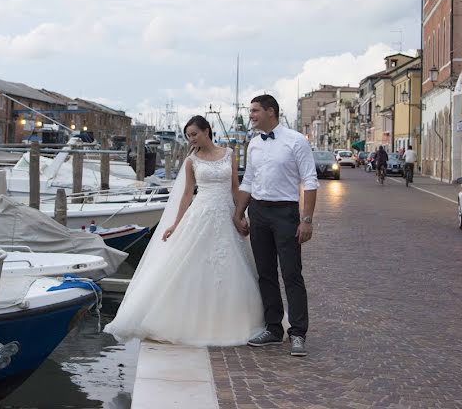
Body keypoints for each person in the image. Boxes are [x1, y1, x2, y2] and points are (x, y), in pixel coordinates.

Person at [103, 115, 272, 346]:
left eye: (194, 134)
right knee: (194, 265)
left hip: (225, 214)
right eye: (188, 136)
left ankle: (232, 319)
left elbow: (235, 187)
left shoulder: (229, 154)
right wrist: (175, 224)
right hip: (201, 213)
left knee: (232, 266)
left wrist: (239, 214)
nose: (191, 139)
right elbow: (186, 194)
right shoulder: (192, 161)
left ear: (206, 131)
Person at [234, 95, 317, 357]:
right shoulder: (253, 144)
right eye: (251, 111)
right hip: (258, 211)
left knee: (291, 273)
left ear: (271, 112)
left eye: (255, 111)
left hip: (286, 213)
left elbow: (310, 181)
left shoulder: (295, 141)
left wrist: (307, 219)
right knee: (265, 273)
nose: (251, 115)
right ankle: (273, 328)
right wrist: (239, 213)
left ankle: (298, 333)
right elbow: (248, 180)